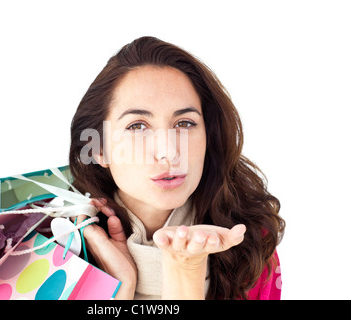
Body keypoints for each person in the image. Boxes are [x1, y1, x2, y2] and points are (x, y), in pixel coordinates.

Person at [68, 36, 285, 300]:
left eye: (185, 124)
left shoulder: (250, 246)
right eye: (137, 126)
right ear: (98, 149)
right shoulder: (53, 246)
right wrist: (121, 291)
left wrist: (186, 270)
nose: (169, 152)